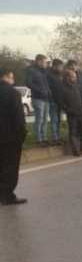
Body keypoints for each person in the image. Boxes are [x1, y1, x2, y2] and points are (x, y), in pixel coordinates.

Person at [0, 68, 28, 205]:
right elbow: (18, 118)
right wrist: (22, 135)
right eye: (12, 76)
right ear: (6, 76)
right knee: (10, 166)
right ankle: (7, 195)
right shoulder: (13, 93)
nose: (13, 79)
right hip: (10, 137)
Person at [25, 54, 51, 146]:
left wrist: (49, 92)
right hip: (38, 98)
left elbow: (46, 84)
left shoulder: (44, 71)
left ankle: (44, 138)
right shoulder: (31, 70)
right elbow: (28, 83)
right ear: (39, 61)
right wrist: (40, 91)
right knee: (39, 119)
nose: (45, 64)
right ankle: (38, 139)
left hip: (46, 98)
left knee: (45, 119)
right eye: (44, 62)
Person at [61, 69, 82, 156]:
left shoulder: (77, 86)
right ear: (68, 77)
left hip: (81, 113)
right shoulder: (63, 88)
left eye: (75, 77)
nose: (75, 78)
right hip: (72, 115)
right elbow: (62, 103)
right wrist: (69, 111)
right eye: (73, 77)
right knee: (73, 133)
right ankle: (76, 151)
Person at [46, 59, 64, 146]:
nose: (61, 68)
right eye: (60, 66)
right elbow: (49, 88)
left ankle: (58, 136)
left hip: (60, 101)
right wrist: (52, 97)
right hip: (53, 101)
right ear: (55, 66)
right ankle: (55, 137)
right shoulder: (49, 75)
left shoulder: (60, 75)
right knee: (54, 120)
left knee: (59, 120)